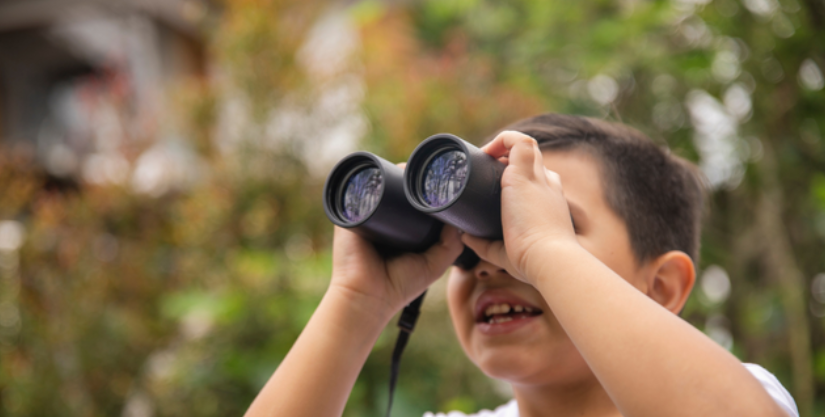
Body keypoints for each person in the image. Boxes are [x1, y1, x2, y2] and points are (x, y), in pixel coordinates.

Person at [244, 114, 799, 417]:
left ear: (660, 287)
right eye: (472, 241)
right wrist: (355, 301)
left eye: (559, 222)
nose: (492, 262)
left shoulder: (735, 394)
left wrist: (544, 248)